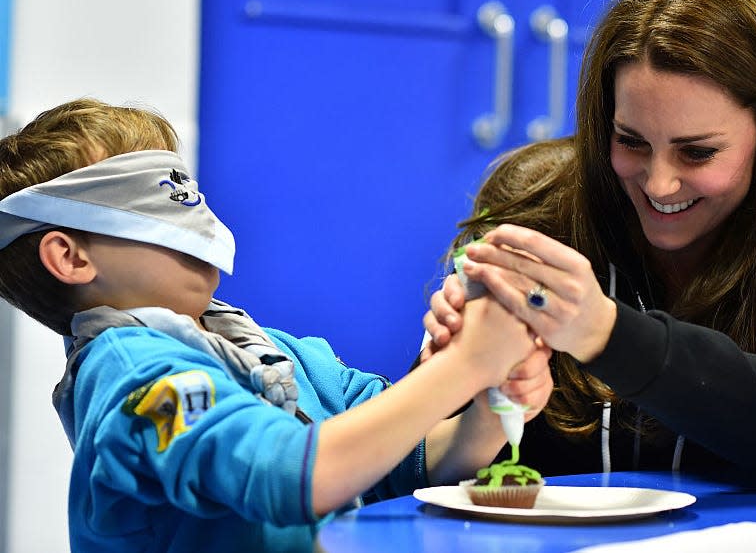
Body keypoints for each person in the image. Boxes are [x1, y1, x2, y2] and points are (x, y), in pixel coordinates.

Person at [0, 98, 553, 552]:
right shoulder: (135, 378)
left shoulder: (275, 352)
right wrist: (464, 365)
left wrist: (485, 411)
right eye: (155, 204)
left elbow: (401, 462)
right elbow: (289, 478)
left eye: (184, 189)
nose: (192, 213)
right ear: (70, 258)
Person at [424, 0, 756, 476]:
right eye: (631, 141)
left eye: (696, 153)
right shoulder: (531, 214)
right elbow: (422, 455)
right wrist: (457, 371)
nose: (658, 185)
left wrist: (602, 331)